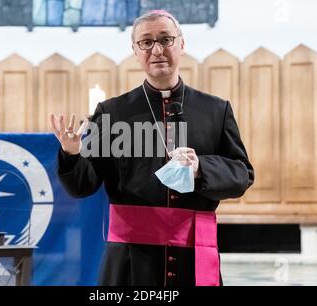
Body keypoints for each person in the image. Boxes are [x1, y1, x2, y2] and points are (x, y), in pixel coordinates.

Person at [50, 10, 254, 286]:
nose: (157, 49)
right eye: (146, 42)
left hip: (193, 258)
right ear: (135, 51)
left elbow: (241, 174)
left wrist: (200, 167)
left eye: (166, 39)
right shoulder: (112, 113)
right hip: (130, 261)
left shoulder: (215, 110)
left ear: (182, 44)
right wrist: (72, 153)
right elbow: (83, 186)